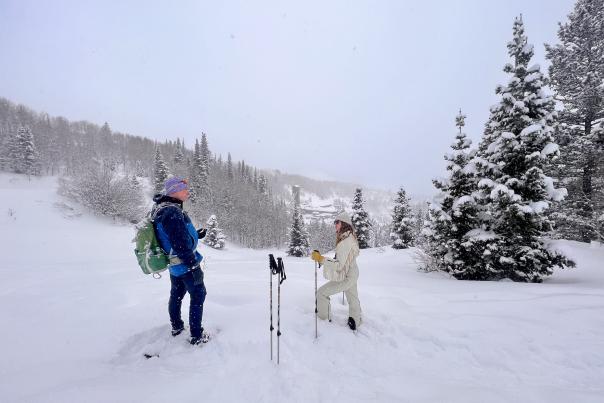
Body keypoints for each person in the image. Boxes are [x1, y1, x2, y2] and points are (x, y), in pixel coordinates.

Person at [152, 176, 209, 345]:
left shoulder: (163, 208)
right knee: (198, 294)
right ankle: (197, 336)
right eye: (184, 189)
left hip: (175, 264)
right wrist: (193, 265)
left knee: (176, 294)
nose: (187, 192)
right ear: (174, 191)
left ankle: (177, 327)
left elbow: (174, 235)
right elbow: (179, 243)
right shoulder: (171, 212)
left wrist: (195, 235)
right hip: (184, 264)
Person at [310, 211, 362, 330]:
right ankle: (356, 319)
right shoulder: (350, 237)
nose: (335, 225)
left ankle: (323, 320)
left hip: (347, 276)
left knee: (321, 293)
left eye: (337, 222)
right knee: (353, 298)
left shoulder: (345, 241)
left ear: (344, 223)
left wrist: (321, 259)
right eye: (335, 222)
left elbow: (339, 266)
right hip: (352, 272)